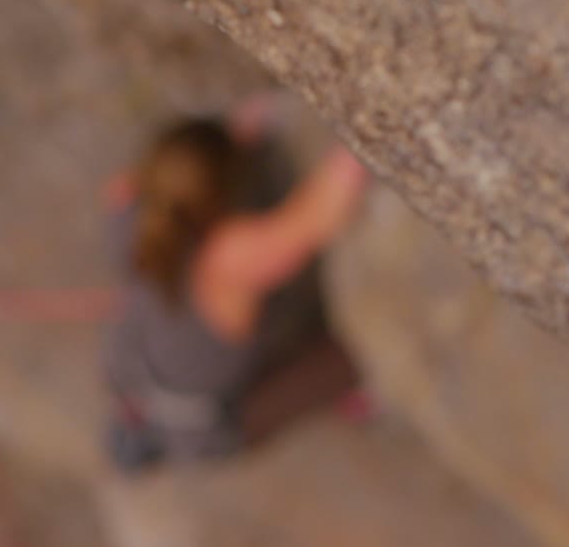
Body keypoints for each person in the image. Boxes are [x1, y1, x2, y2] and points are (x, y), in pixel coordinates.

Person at [100, 98, 369, 471]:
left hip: (143, 379)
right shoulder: (227, 263)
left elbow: (170, 169)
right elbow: (319, 218)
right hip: (207, 424)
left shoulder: (129, 206)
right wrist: (368, 129)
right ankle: (354, 390)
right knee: (347, 361)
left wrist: (241, 126)